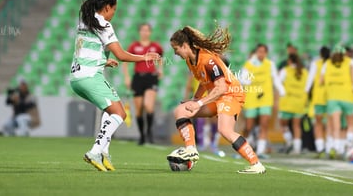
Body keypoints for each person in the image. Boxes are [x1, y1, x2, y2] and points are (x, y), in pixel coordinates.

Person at [69, 0, 160, 172]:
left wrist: (104, 60)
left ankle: (104, 152)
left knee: (110, 109)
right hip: (90, 76)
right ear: (107, 7)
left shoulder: (85, 20)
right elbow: (121, 55)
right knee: (120, 113)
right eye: (114, 10)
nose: (114, 14)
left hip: (76, 77)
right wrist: (145, 57)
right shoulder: (104, 24)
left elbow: (87, 47)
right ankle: (96, 151)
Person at [167, 25, 266, 174]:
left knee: (224, 130)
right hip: (218, 95)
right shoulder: (190, 60)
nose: (175, 53)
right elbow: (202, 81)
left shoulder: (208, 60)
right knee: (181, 110)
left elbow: (221, 88)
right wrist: (194, 100)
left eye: (176, 49)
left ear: (185, 45)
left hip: (231, 94)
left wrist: (199, 103)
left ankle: (256, 164)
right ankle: (191, 150)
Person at [240, 43, 286, 158]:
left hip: (265, 98)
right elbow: (242, 79)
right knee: (249, 126)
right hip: (251, 97)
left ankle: (260, 151)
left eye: (263, 52)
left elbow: (275, 78)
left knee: (264, 124)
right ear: (256, 52)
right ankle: (245, 149)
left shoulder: (270, 64)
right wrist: (247, 81)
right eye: (259, 51)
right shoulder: (249, 64)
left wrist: (282, 90)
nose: (261, 54)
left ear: (266, 53)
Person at [122, 23, 163, 145]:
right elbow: (125, 61)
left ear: (150, 32)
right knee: (139, 110)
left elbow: (160, 58)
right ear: (139, 32)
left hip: (151, 78)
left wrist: (160, 69)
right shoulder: (134, 46)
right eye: (143, 30)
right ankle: (142, 135)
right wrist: (127, 77)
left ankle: (149, 131)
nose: (145, 32)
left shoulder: (156, 46)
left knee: (148, 106)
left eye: (147, 30)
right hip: (138, 78)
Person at [321, 45, 353, 158]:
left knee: (335, 125)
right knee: (351, 124)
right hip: (348, 97)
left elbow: (321, 81)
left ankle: (335, 148)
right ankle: (347, 146)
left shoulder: (327, 64)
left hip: (332, 98)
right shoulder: (351, 63)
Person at [278, 54, 308, 154]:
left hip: (287, 103)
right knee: (297, 126)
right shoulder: (305, 72)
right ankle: (297, 148)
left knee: (283, 124)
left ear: (289, 61)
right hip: (299, 102)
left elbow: (278, 84)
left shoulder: (285, 71)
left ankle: (289, 141)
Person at [305, 46, 330, 157]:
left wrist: (306, 94)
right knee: (330, 124)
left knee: (318, 124)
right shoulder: (332, 63)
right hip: (330, 97)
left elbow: (310, 80)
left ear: (320, 54)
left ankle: (320, 149)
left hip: (318, 97)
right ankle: (330, 148)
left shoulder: (316, 64)